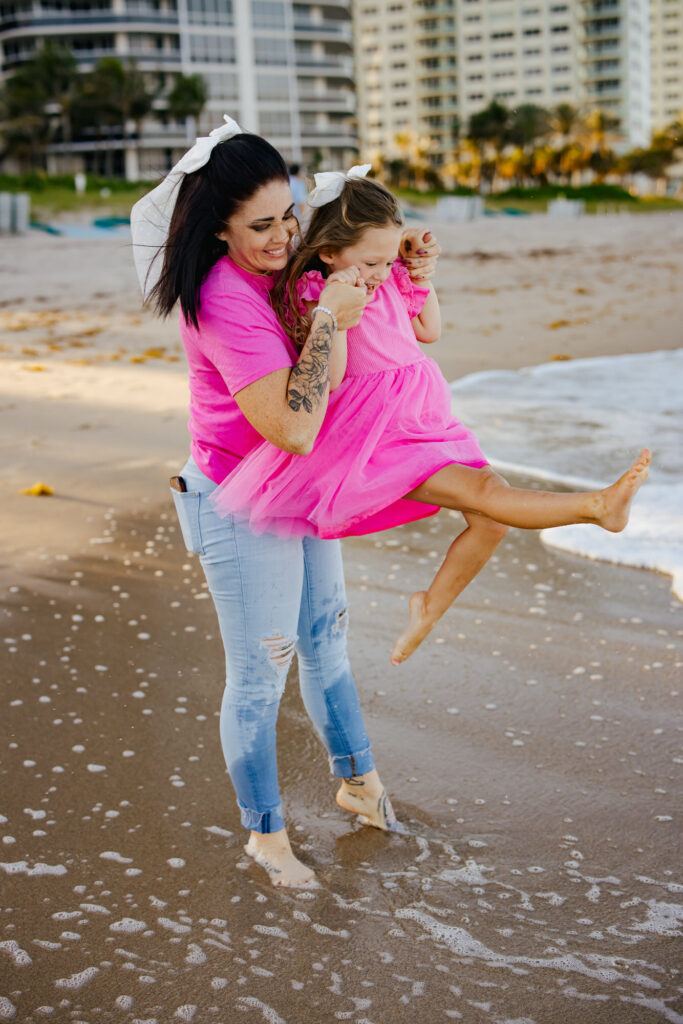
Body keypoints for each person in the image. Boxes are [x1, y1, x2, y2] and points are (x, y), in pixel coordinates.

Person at [130, 118, 438, 889]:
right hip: (238, 498)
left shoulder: (283, 266)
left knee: (327, 638)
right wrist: (332, 315)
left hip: (295, 490)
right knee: (262, 672)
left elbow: (340, 260)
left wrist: (390, 264)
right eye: (259, 225)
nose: (280, 237)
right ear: (218, 227)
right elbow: (295, 427)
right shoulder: (220, 299)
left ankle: (359, 784)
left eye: (288, 216)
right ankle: (264, 835)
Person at [210, 168, 651, 665]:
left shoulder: (390, 277)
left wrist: (418, 274)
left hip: (421, 416)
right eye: (372, 260)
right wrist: (334, 317)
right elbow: (329, 379)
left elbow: (429, 329)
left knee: (490, 521)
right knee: (486, 495)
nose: (380, 270)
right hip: (372, 432)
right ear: (331, 251)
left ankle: (429, 607)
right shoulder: (319, 290)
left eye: (387, 256)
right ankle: (596, 507)